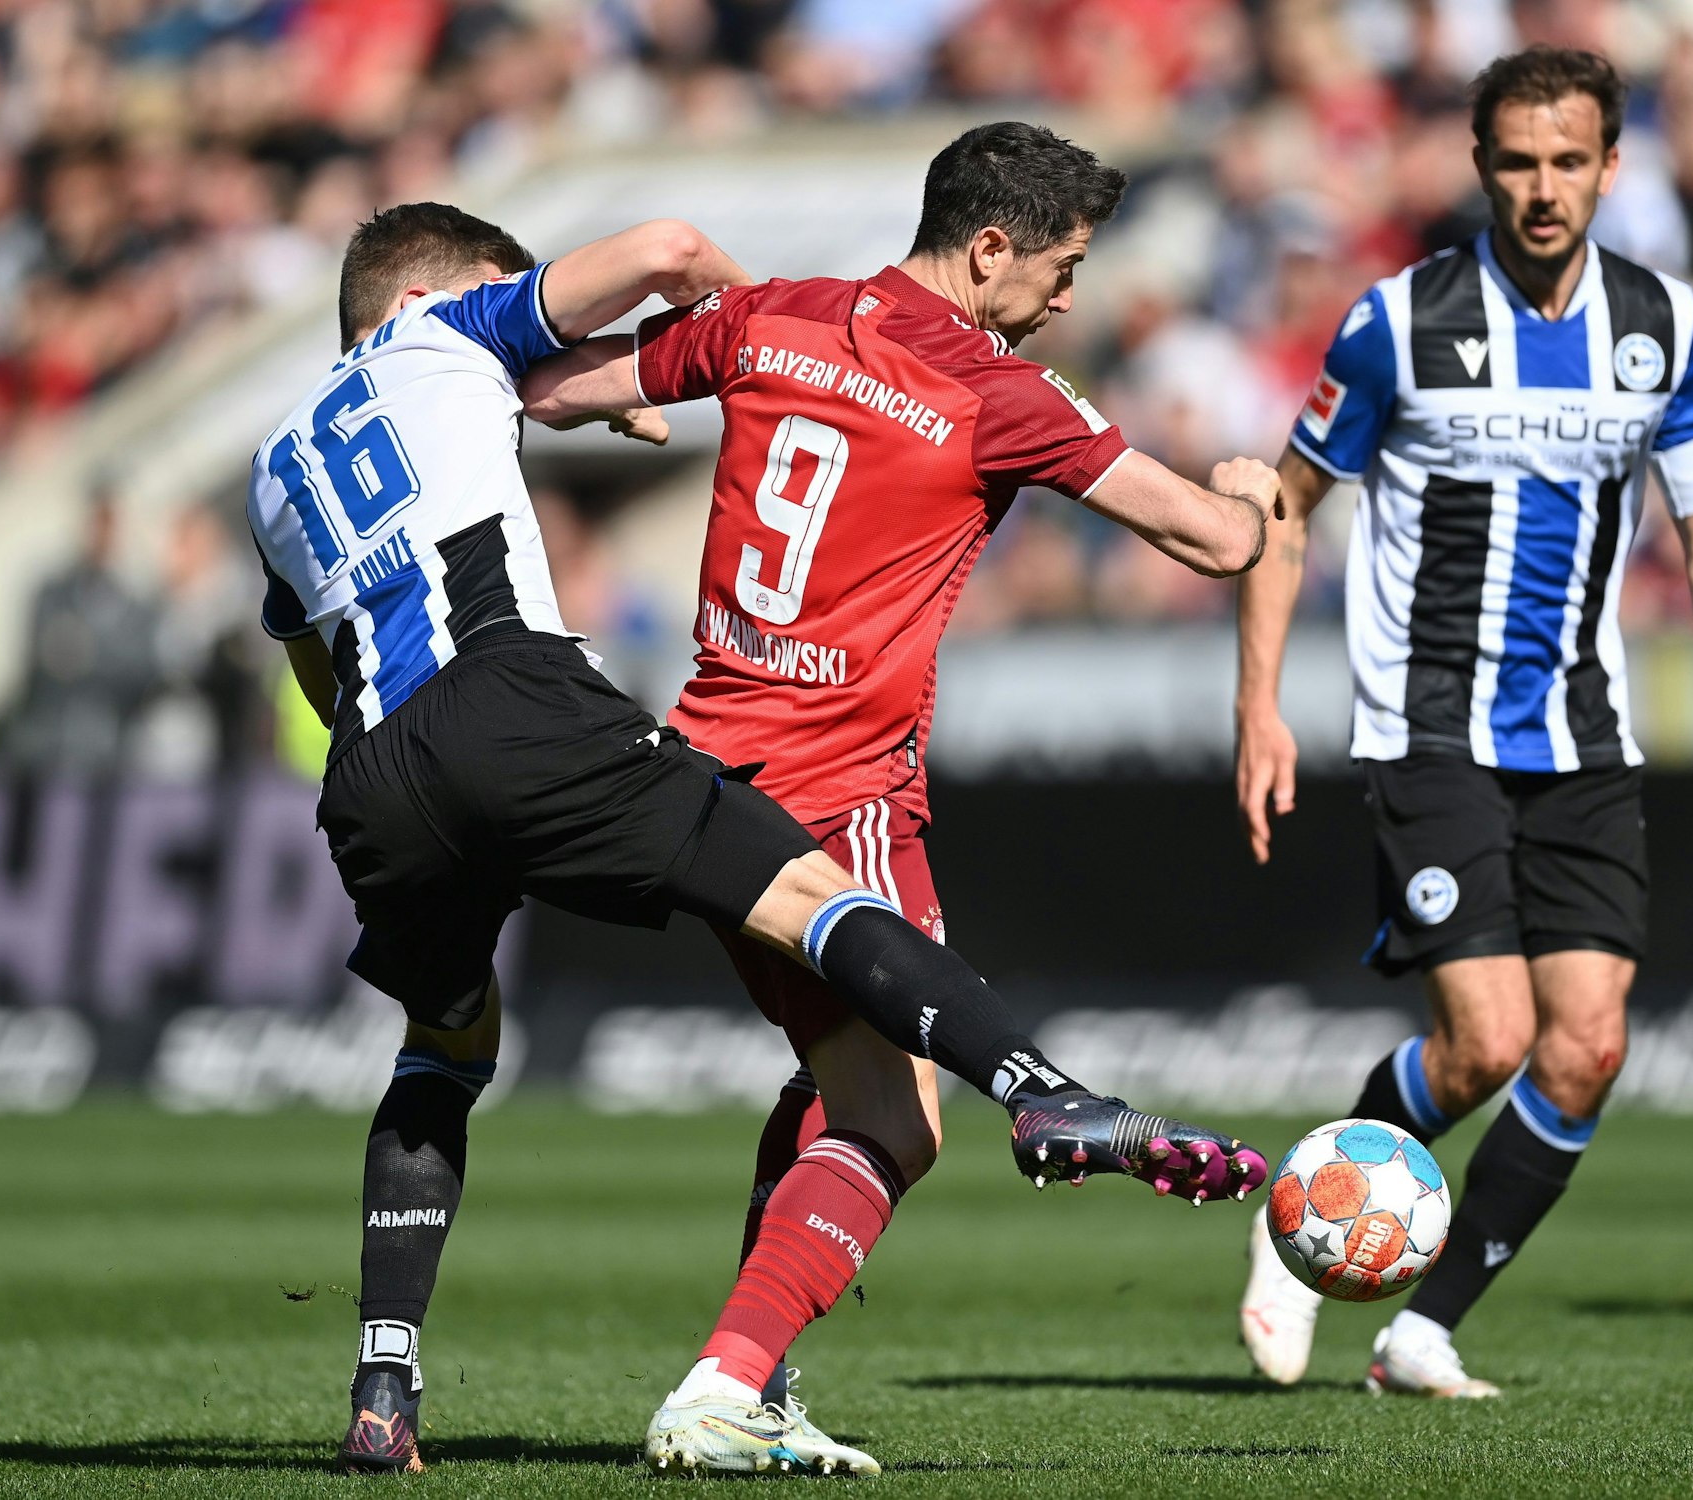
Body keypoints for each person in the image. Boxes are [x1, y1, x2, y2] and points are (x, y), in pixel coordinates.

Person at [246, 201, 1271, 1476]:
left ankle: (384, 1381)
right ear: (424, 298)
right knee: (810, 899)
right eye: (512, 293)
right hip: (520, 701)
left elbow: (307, 656)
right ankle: (1044, 1094)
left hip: (372, 770)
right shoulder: (447, 333)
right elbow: (668, 247)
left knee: (447, 1048)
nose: (527, 320)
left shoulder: (275, 455)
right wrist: (746, 320)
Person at [525, 120, 1286, 1475]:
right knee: (900, 1119)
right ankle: (728, 1379)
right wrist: (1253, 492)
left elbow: (554, 397)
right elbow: (1216, 542)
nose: (1068, 298)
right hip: (841, 796)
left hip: (700, 781)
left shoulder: (768, 317)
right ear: (990, 248)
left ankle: (745, 1372)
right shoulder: (1008, 394)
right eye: (1061, 267)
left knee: (843, 1087)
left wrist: (644, 398)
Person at [1231, 46, 1693, 1396]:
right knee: (1485, 1042)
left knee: (1588, 1047)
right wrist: (1256, 709)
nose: (1545, 190)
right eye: (1520, 162)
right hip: (1431, 727)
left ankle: (1421, 1332)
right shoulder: (1395, 321)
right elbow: (1280, 511)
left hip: (1586, 737)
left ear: (1610, 165)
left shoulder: (1664, 326)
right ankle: (1300, 1224)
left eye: (1570, 161)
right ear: (1481, 166)